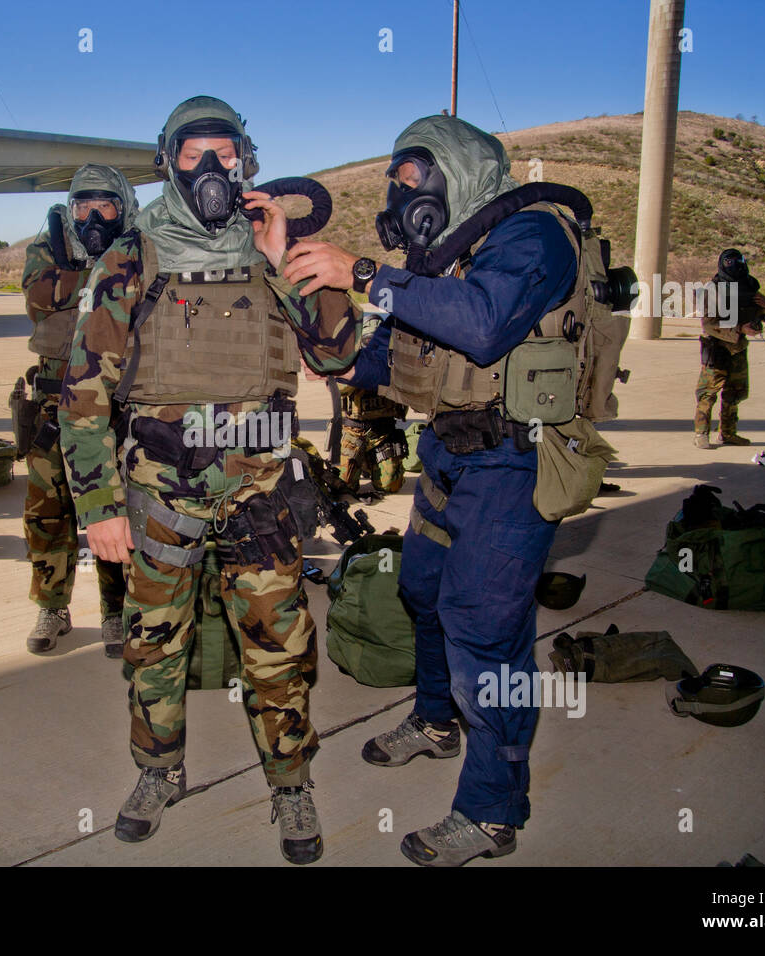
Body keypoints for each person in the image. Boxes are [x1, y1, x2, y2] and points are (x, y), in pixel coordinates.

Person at [58, 95, 360, 864]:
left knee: (280, 649)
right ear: (168, 164)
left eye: (224, 153)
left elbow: (336, 357)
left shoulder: (277, 250)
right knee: (156, 649)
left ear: (246, 161)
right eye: (193, 156)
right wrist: (98, 508)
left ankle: (290, 784)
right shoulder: (130, 257)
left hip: (259, 495)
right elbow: (84, 393)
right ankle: (158, 771)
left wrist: (284, 253)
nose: (211, 169)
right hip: (161, 496)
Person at [282, 115, 582, 866]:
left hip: (516, 462)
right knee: (423, 591)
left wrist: (364, 273)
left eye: (413, 176)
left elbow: (482, 328)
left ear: (458, 170)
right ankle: (437, 720)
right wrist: (331, 338)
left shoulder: (534, 236)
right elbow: (377, 360)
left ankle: (492, 811)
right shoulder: (446, 262)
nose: (401, 192)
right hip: (450, 453)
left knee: (486, 631)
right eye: (398, 179)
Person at [20, 164, 137, 656]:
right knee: (48, 509)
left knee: (110, 504)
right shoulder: (48, 247)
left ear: (122, 208)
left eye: (104, 205)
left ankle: (115, 612)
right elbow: (39, 294)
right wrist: (105, 273)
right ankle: (52, 607)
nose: (92, 216)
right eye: (82, 205)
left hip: (113, 401)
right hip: (52, 400)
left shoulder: (140, 247)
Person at [694, 248, 765, 449]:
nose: (736, 266)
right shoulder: (713, 289)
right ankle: (701, 434)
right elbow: (708, 324)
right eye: (731, 262)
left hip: (738, 348)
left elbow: (757, 310)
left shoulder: (749, 286)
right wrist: (738, 329)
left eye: (739, 261)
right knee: (708, 394)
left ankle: (728, 433)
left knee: (734, 393)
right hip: (717, 348)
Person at [332, 314, 409, 496]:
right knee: (344, 486)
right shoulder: (351, 363)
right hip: (354, 433)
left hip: (384, 432)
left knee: (391, 486)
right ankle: (364, 462)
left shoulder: (394, 363)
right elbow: (341, 387)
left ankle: (370, 463)